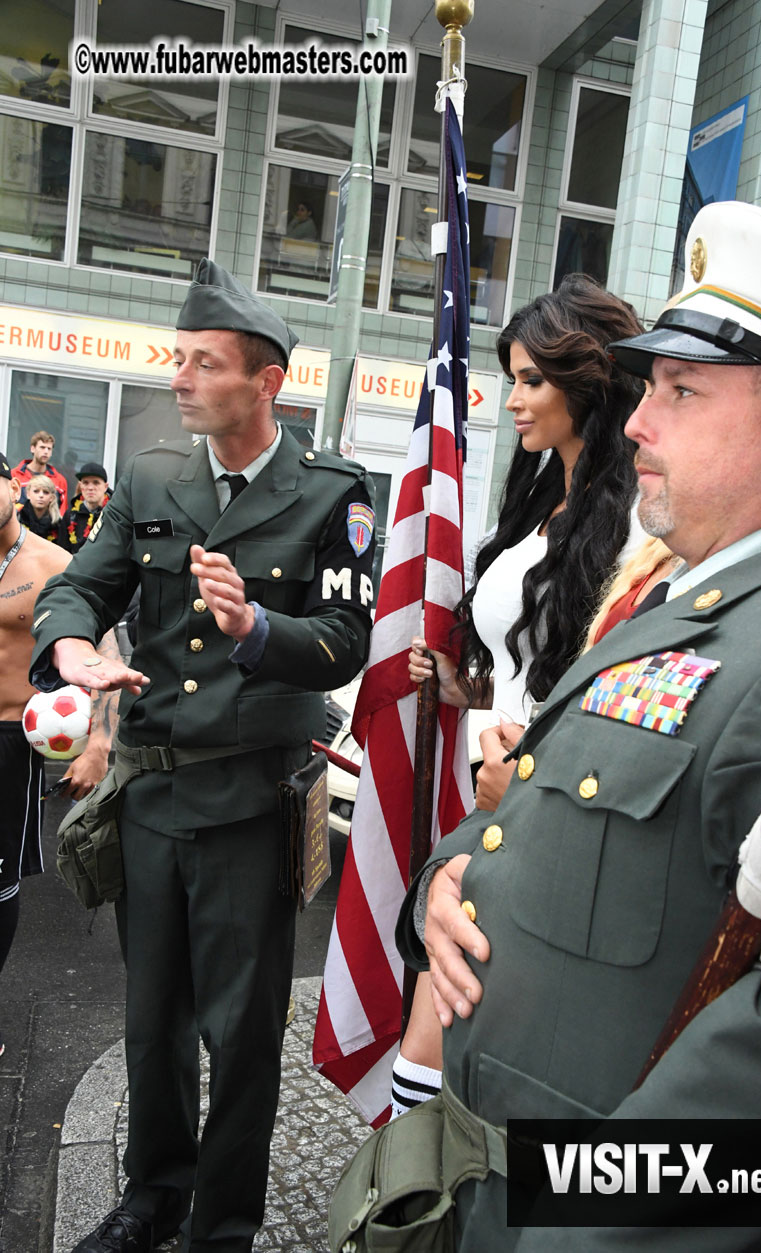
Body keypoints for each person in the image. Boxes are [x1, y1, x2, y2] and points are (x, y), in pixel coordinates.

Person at [391, 200, 761, 1248]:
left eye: (681, 390)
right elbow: (537, 801)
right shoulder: (679, 605)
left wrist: (584, 1227)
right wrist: (446, 880)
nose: (636, 420)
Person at [30, 258, 376, 1253]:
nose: (178, 378)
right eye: (177, 357)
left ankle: (222, 1226)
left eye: (203, 362)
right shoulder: (151, 475)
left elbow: (346, 642)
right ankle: (155, 1194)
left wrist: (257, 625)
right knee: (154, 1018)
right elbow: (82, 585)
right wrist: (74, 648)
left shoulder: (330, 494)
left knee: (242, 1031)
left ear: (266, 381)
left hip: (250, 808)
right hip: (150, 800)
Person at [394, 277, 643, 1118]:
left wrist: (530, 782)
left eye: (531, 379)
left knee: (456, 1052)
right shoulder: (541, 497)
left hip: (552, 813)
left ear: (587, 380)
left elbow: (607, 692)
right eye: (511, 378)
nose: (511, 400)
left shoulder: (638, 525)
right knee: (434, 1052)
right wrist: (459, 685)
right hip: (493, 800)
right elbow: (521, 668)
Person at [0, 456, 117, 1058]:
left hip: (8, 739)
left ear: (14, 486)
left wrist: (99, 743)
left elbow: (105, 650)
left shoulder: (53, 564)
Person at [59, 460, 112, 552]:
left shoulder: (114, 514)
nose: (90, 488)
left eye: (96, 483)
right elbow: (62, 550)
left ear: (105, 487)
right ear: (80, 486)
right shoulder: (70, 515)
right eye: (86, 483)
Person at [13, 430, 68, 509]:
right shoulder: (14, 475)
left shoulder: (60, 481)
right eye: (42, 447)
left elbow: (62, 512)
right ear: (32, 448)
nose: (46, 451)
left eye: (49, 449)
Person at [17, 472, 61, 542]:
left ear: (52, 497)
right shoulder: (17, 515)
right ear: (28, 494)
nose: (41, 495)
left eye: (46, 492)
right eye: (36, 491)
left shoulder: (58, 524)